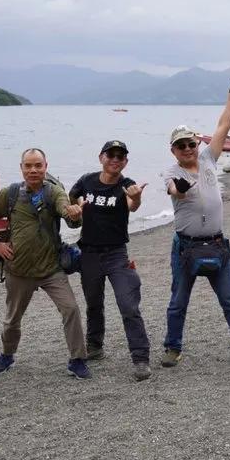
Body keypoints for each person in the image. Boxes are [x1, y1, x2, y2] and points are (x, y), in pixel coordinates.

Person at [162, 78, 230, 367]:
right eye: (180, 146)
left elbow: (224, 124)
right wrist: (179, 189)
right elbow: (174, 190)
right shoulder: (172, 172)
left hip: (216, 244)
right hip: (185, 248)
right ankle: (172, 348)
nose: (187, 148)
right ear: (173, 150)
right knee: (178, 301)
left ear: (197, 143)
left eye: (190, 143)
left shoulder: (209, 158)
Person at [0, 148, 91, 379]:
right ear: (21, 168)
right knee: (12, 319)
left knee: (71, 309)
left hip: (51, 269)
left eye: (38, 165)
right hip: (18, 270)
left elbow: (68, 215)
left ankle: (78, 359)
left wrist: (74, 214)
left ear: (45, 167)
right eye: (28, 166)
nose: (33, 170)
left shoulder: (54, 192)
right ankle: (7, 355)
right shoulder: (10, 194)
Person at [68, 140, 151, 381]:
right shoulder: (86, 181)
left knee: (128, 304)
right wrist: (75, 208)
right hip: (89, 253)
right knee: (93, 302)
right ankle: (95, 346)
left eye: (120, 156)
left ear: (125, 162)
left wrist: (137, 198)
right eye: (110, 155)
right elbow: (71, 199)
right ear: (101, 157)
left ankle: (140, 358)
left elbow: (132, 205)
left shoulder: (127, 185)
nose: (115, 159)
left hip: (116, 254)